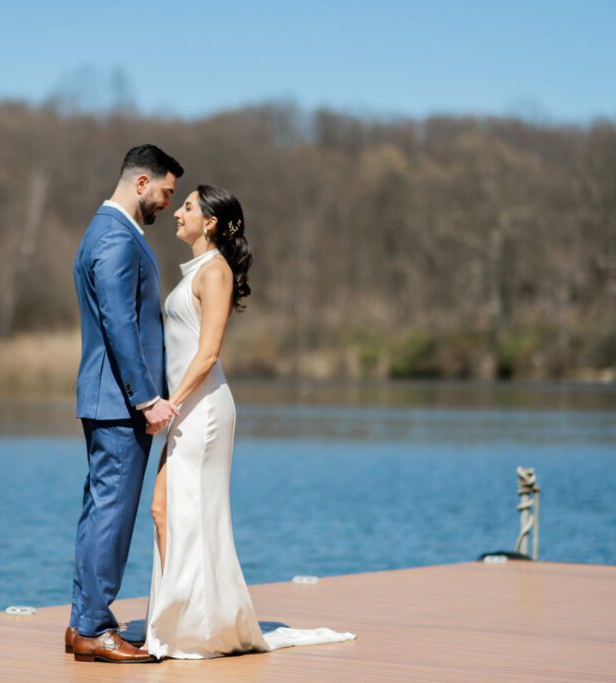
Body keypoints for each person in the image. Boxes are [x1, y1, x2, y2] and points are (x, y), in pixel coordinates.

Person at [144, 184, 356, 659]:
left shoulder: (214, 271)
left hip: (202, 409)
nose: (178, 213)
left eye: (189, 207)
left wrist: (168, 405)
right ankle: (179, 619)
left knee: (184, 512)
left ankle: (194, 627)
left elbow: (209, 353)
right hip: (186, 407)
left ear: (211, 223)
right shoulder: (197, 269)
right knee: (163, 509)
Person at [67, 144, 183, 664]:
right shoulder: (115, 237)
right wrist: (146, 399)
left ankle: (83, 621)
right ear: (141, 183)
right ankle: (93, 625)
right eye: (165, 192)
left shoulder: (104, 231)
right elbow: (120, 324)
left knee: (99, 510)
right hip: (119, 402)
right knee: (111, 513)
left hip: (106, 400)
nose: (166, 203)